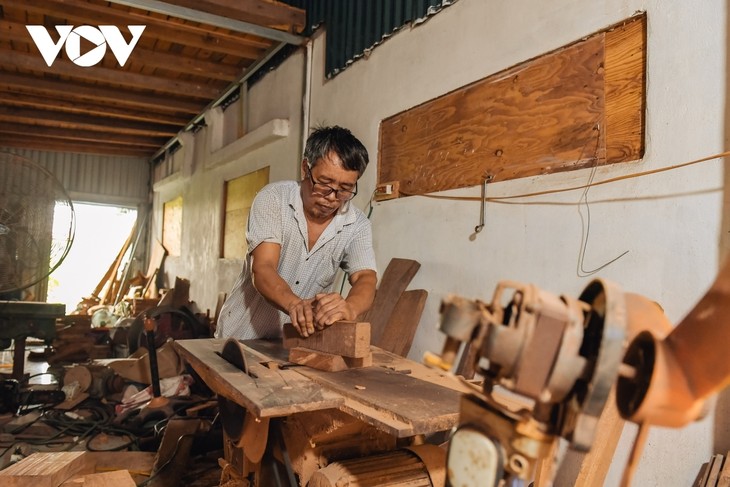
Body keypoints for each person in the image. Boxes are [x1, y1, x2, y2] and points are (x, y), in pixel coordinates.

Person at [215, 126, 377, 340]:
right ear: (305, 168)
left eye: (345, 189)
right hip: (240, 336)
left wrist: (349, 308)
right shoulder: (273, 200)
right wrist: (294, 304)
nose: (332, 197)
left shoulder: (357, 224)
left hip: (293, 343)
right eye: (324, 184)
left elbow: (366, 277)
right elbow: (263, 268)